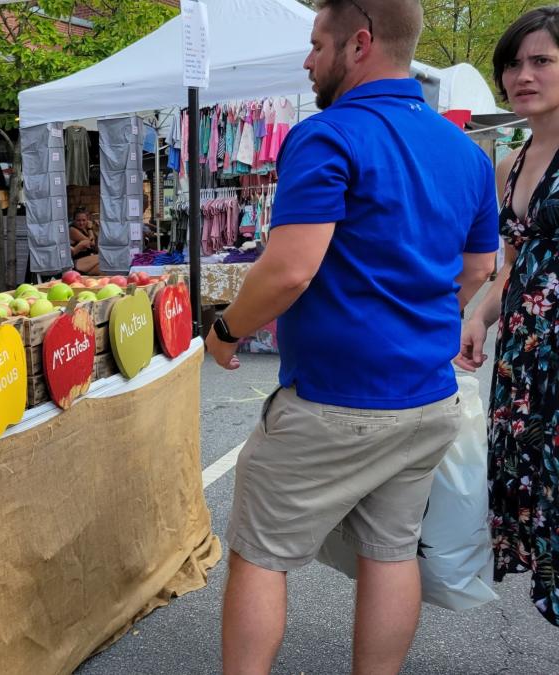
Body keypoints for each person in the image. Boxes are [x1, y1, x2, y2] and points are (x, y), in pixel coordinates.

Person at [204, 1, 498, 672]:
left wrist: (224, 332)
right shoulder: (465, 151)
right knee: (392, 551)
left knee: (260, 552)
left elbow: (289, 269)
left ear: (359, 43)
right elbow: (479, 267)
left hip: (333, 402)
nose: (308, 59)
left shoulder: (329, 134)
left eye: (317, 43)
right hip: (426, 399)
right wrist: (422, 317)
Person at [457, 6, 559, 628]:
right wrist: (478, 314)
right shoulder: (514, 160)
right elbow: (510, 263)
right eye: (513, 64)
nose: (522, 74)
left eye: (541, 60)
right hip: (525, 373)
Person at [69, 208, 100, 275]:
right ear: (74, 220)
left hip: (90, 261)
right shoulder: (72, 230)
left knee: (103, 270)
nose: (81, 223)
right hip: (78, 263)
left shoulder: (85, 229)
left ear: (87, 220)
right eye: (78, 220)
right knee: (104, 257)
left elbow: (96, 248)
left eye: (84, 220)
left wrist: (97, 232)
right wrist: (90, 228)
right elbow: (91, 243)